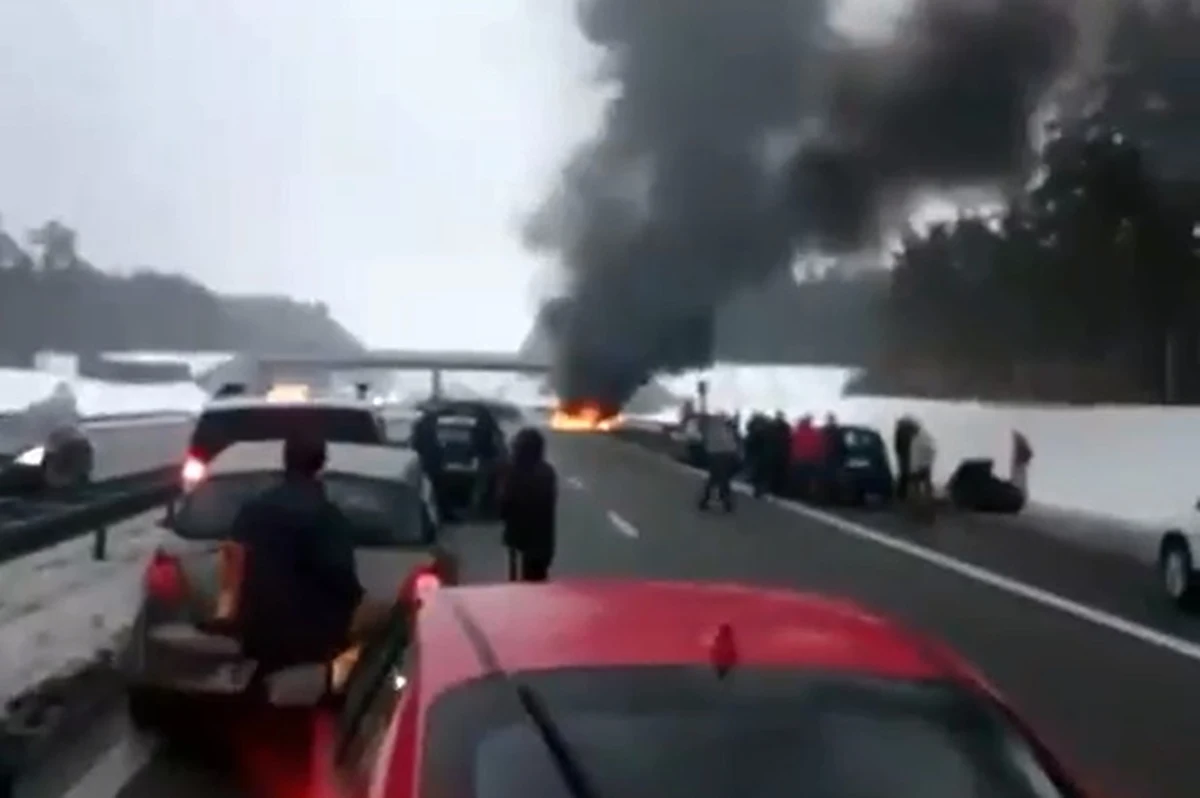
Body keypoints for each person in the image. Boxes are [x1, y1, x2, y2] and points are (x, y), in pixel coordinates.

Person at [231, 433, 390, 670]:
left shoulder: (253, 509)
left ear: (285, 460)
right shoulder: (327, 517)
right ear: (321, 463)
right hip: (311, 634)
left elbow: (236, 559)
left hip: (259, 627)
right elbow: (339, 574)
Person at [500, 427, 558, 581]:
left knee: (518, 583)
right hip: (542, 541)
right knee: (537, 581)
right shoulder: (547, 472)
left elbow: (504, 503)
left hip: (518, 538)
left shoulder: (512, 472)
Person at [411, 408, 450, 521]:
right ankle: (440, 514)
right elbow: (431, 448)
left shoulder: (421, 428)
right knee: (436, 490)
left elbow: (416, 445)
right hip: (431, 465)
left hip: (426, 464)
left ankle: (436, 514)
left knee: (430, 491)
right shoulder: (428, 429)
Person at [698, 413, 739, 512]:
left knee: (713, 479)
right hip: (725, 456)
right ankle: (725, 502)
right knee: (723, 480)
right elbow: (731, 443)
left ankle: (706, 501)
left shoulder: (713, 430)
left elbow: (706, 442)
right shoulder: (725, 431)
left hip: (714, 456)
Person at [470, 405, 502, 515]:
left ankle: (478, 508)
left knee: (482, 484)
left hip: (483, 457)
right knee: (488, 483)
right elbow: (497, 439)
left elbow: (474, 441)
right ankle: (486, 508)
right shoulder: (489, 424)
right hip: (489, 457)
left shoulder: (478, 425)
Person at [893, 415, 919, 501]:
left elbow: (897, 446)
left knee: (904, 474)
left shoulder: (900, 432)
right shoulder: (907, 432)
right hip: (906, 455)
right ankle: (904, 494)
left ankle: (902, 494)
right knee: (906, 474)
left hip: (904, 455)